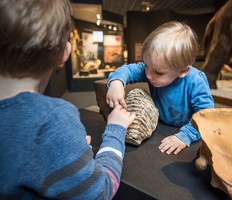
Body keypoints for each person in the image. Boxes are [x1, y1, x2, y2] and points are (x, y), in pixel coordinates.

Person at [0, 0, 135, 199]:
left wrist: (67, 146)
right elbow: (100, 191)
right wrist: (116, 130)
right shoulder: (53, 119)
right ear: (65, 52)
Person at [106, 21, 214, 155]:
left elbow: (205, 115)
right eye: (145, 65)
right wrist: (117, 82)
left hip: (188, 133)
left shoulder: (196, 81)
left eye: (158, 72)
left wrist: (186, 136)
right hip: (159, 128)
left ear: (182, 71)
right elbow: (128, 70)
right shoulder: (153, 69)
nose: (148, 75)